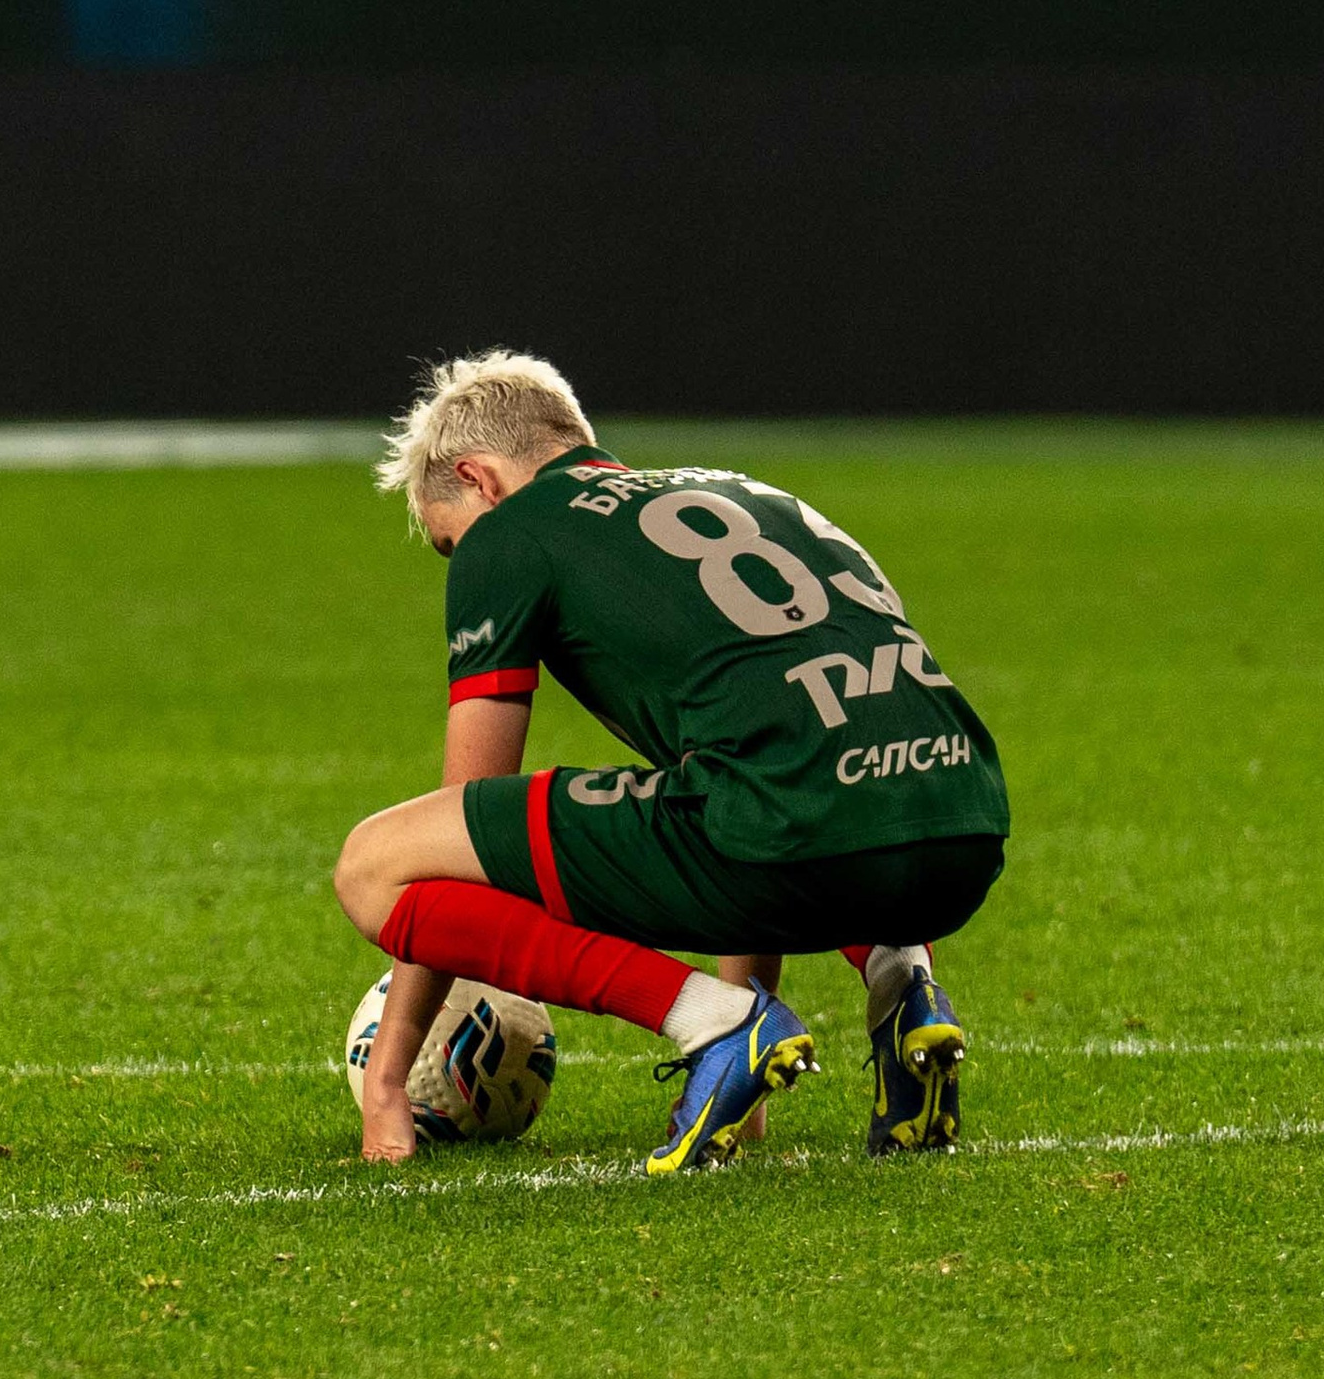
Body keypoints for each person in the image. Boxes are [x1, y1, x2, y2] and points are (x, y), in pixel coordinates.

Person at [333, 352, 1010, 1174]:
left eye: (450, 542)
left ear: (480, 479)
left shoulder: (511, 532)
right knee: (771, 789)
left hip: (795, 828)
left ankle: (710, 1023)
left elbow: (462, 816)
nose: (460, 559)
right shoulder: (744, 492)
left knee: (375, 865)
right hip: (961, 826)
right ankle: (903, 985)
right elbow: (770, 750)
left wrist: (389, 1075)